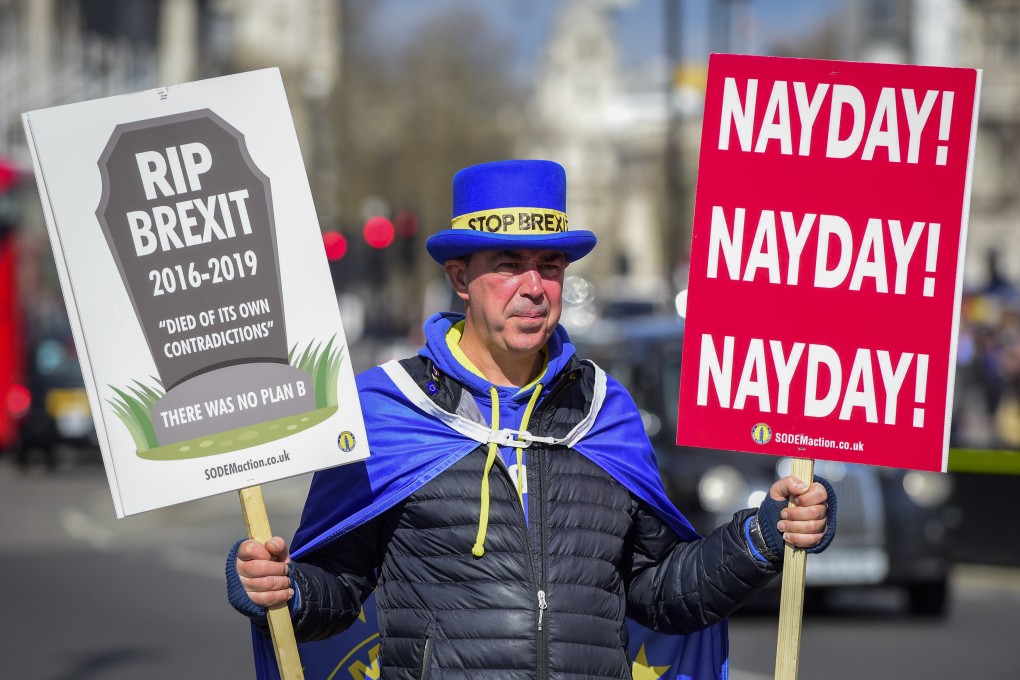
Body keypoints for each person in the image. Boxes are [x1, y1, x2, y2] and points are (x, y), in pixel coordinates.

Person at [227, 159, 836, 679]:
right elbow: (337, 589)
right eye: (508, 262)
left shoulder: (603, 411)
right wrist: (282, 589)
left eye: (549, 263)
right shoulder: (389, 410)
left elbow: (659, 594)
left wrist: (762, 537)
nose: (533, 286)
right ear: (460, 277)